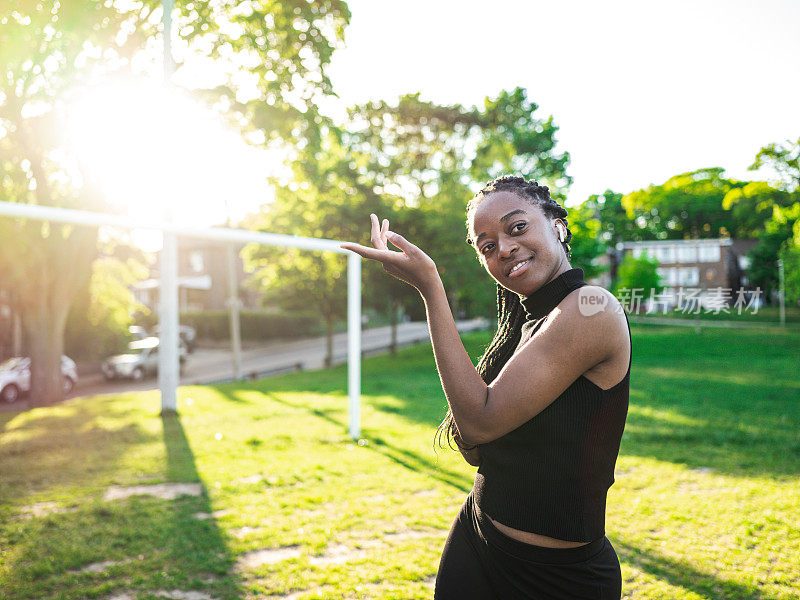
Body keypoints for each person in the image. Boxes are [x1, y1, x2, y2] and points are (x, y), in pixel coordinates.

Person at [340, 175, 631, 599]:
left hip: (560, 578)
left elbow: (476, 425)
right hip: (478, 543)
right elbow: (475, 448)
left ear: (557, 226)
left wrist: (430, 289)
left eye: (517, 228)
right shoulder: (527, 320)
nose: (505, 248)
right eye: (487, 246)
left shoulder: (592, 308)